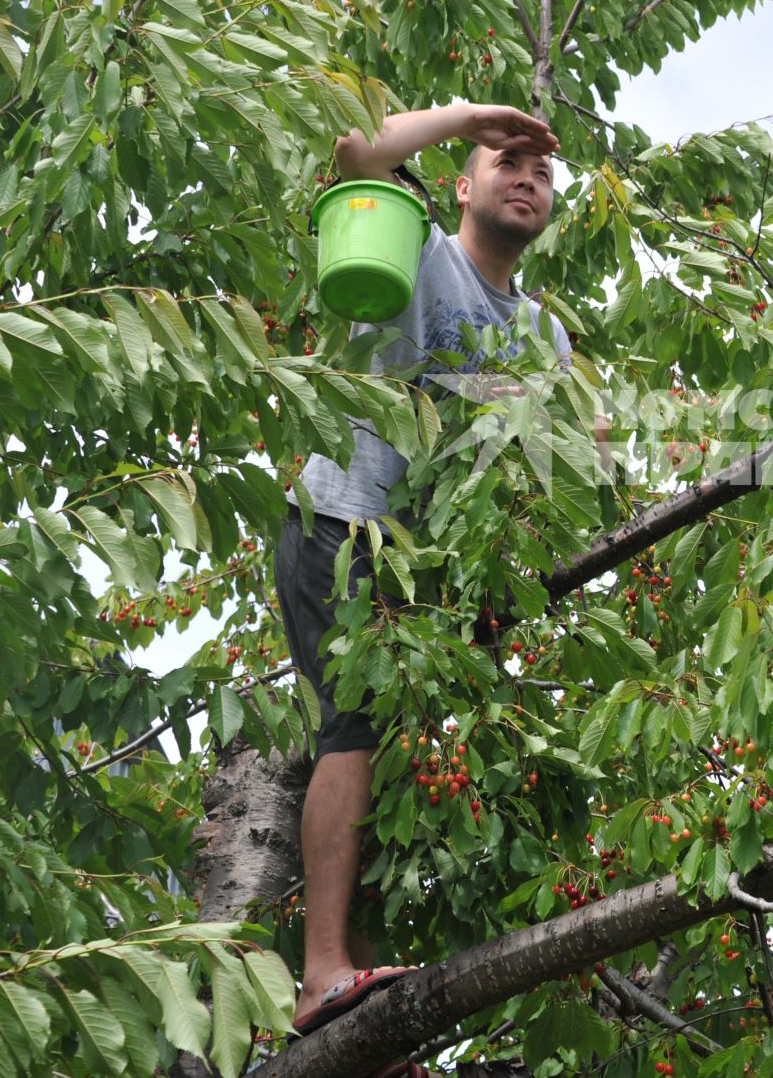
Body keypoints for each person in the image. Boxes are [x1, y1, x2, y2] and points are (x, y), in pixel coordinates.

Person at [275, 100, 567, 1046]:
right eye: (505, 159)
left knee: (398, 771)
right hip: (341, 521)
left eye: (542, 170)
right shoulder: (417, 253)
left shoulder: (544, 339)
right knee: (352, 732)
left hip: (425, 579)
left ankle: (349, 999)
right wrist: (471, 113)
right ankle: (321, 974)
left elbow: (533, 475)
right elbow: (351, 149)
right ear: (463, 182)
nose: (526, 176)